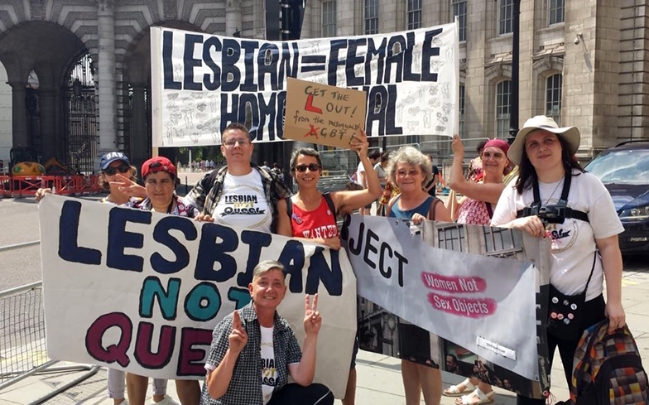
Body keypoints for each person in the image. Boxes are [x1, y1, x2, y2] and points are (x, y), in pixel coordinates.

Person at [491, 116, 625, 405]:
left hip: (585, 306)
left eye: (548, 140)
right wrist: (515, 225)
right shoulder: (516, 191)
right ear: (526, 154)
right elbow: (491, 238)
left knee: (589, 391)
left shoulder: (589, 186)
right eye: (533, 144)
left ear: (562, 146)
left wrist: (615, 301)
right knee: (530, 395)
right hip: (528, 309)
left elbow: (609, 246)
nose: (542, 148)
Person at [282, 130, 381, 405]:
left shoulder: (332, 200)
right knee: (303, 353)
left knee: (346, 356)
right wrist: (321, 242)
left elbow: (374, 192)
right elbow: (282, 243)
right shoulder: (286, 206)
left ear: (320, 171)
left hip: (336, 292)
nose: (307, 172)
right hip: (302, 293)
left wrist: (363, 156)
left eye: (313, 167)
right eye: (301, 168)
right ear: (293, 173)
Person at [201, 260, 334, 405]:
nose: (270, 289)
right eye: (263, 283)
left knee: (322, 395)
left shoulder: (284, 329)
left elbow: (303, 378)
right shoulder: (234, 326)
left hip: (266, 401)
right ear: (251, 289)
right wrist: (232, 352)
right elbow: (214, 392)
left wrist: (311, 335)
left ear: (284, 292)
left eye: (277, 284)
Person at [127, 156, 202, 405]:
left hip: (180, 299)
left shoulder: (190, 212)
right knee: (136, 360)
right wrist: (47, 199)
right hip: (142, 299)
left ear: (174, 183)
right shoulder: (130, 210)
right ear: (144, 184)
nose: (158, 187)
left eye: (164, 181)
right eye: (152, 181)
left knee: (182, 366)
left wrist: (206, 225)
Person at [443, 137, 511, 404]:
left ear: (507, 163)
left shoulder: (501, 190)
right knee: (469, 329)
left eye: (497, 155)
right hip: (466, 268)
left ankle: (485, 387)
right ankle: (473, 376)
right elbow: (453, 216)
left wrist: (457, 155)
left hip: (487, 272)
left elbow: (455, 183)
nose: (490, 159)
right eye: (487, 154)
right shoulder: (478, 187)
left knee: (486, 330)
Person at [384, 146, 452, 405]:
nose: (407, 176)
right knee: (407, 356)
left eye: (413, 172)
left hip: (428, 294)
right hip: (401, 290)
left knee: (428, 359)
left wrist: (428, 231)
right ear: (394, 176)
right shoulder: (392, 204)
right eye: (401, 172)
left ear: (423, 175)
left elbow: (452, 253)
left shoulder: (435, 206)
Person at [186, 122, 291, 235]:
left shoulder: (271, 179)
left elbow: (293, 211)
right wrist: (198, 217)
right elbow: (183, 207)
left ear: (251, 148)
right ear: (222, 150)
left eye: (241, 141)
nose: (237, 146)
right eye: (231, 142)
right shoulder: (210, 180)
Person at [355, 149, 381, 214]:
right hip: (363, 187)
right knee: (365, 206)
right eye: (377, 160)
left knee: (364, 205)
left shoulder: (368, 163)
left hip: (366, 187)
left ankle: (364, 217)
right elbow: (363, 176)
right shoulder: (364, 163)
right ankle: (363, 217)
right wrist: (364, 189)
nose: (377, 162)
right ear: (374, 159)